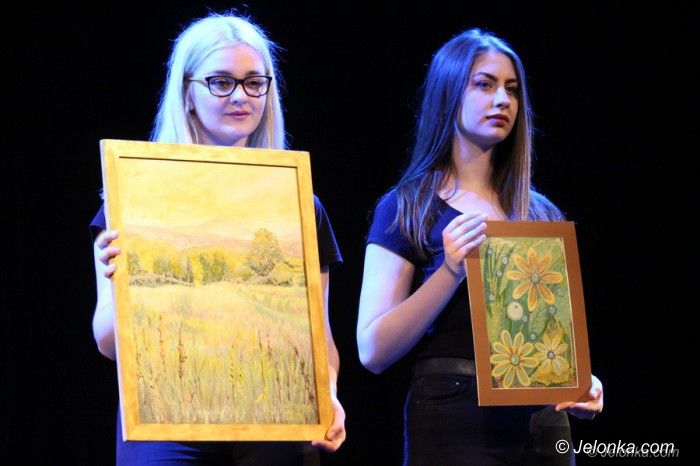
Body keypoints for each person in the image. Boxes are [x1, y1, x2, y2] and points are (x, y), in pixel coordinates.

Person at [91, 12, 345, 465]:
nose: (240, 96)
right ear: (188, 93)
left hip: (273, 418)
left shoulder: (297, 202)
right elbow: (109, 344)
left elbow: (317, 336)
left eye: (254, 82)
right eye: (221, 82)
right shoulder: (134, 196)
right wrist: (125, 285)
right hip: (166, 419)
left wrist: (328, 394)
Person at [357, 28, 603, 465]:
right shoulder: (408, 206)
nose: (503, 100)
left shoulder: (541, 214)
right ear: (449, 93)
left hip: (543, 425)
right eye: (485, 85)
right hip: (454, 418)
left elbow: (549, 336)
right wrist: (450, 271)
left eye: (512, 88)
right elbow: (373, 350)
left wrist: (579, 380)